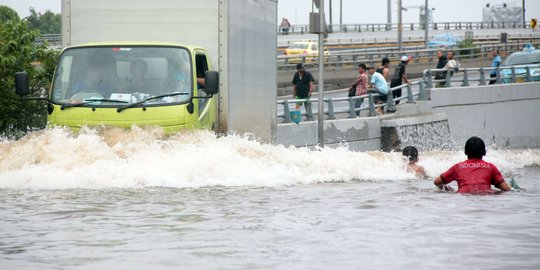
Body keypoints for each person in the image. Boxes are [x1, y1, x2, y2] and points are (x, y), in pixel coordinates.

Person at [433, 136, 512, 194]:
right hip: (486, 196)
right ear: (484, 152)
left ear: (465, 152)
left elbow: (437, 182)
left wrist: (448, 189)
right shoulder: (491, 167)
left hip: (463, 196)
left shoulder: (458, 167)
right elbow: (505, 188)